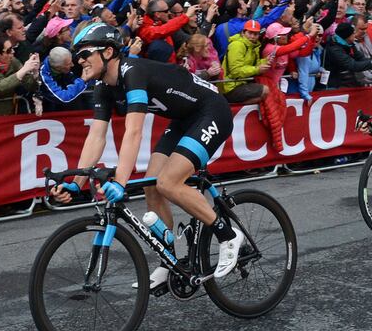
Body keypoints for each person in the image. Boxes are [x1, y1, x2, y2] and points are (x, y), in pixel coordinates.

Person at [53, 23, 243, 290]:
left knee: (168, 182)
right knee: (152, 184)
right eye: (77, 56)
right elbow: (96, 136)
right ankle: (169, 262)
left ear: (108, 52)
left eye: (85, 54)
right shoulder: (103, 87)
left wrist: (119, 182)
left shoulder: (133, 73)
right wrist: (77, 182)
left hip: (212, 111)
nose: (79, 61)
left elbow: (134, 132)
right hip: (183, 118)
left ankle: (228, 234)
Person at [221, 19, 270, 104]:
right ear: (243, 33)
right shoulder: (237, 45)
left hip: (241, 83)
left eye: (255, 34)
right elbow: (236, 71)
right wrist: (257, 69)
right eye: (250, 33)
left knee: (270, 89)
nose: (252, 36)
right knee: (265, 90)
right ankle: (231, 107)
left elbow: (255, 64)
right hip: (230, 86)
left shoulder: (254, 46)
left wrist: (266, 61)